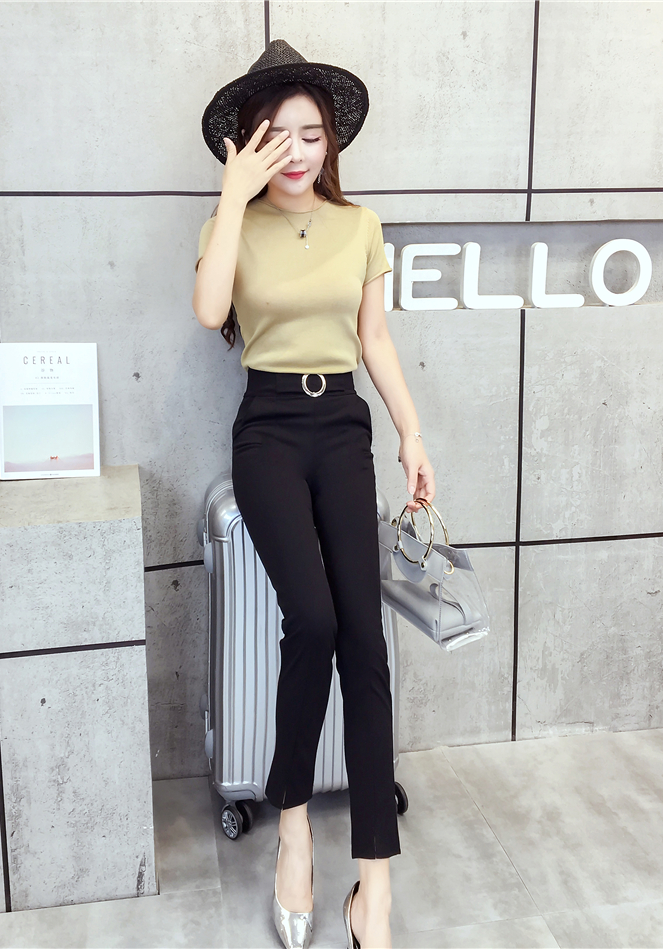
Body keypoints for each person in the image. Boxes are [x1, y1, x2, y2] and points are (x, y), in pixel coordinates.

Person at [193, 40, 435, 949]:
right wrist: (231, 196)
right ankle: (292, 828)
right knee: (317, 621)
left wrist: (412, 433)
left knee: (365, 637)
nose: (295, 152)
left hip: (342, 428)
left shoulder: (360, 225)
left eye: (310, 134)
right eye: (276, 136)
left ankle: (375, 885)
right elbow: (211, 311)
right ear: (249, 144)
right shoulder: (232, 223)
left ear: (331, 142)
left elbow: (375, 340)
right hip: (267, 431)